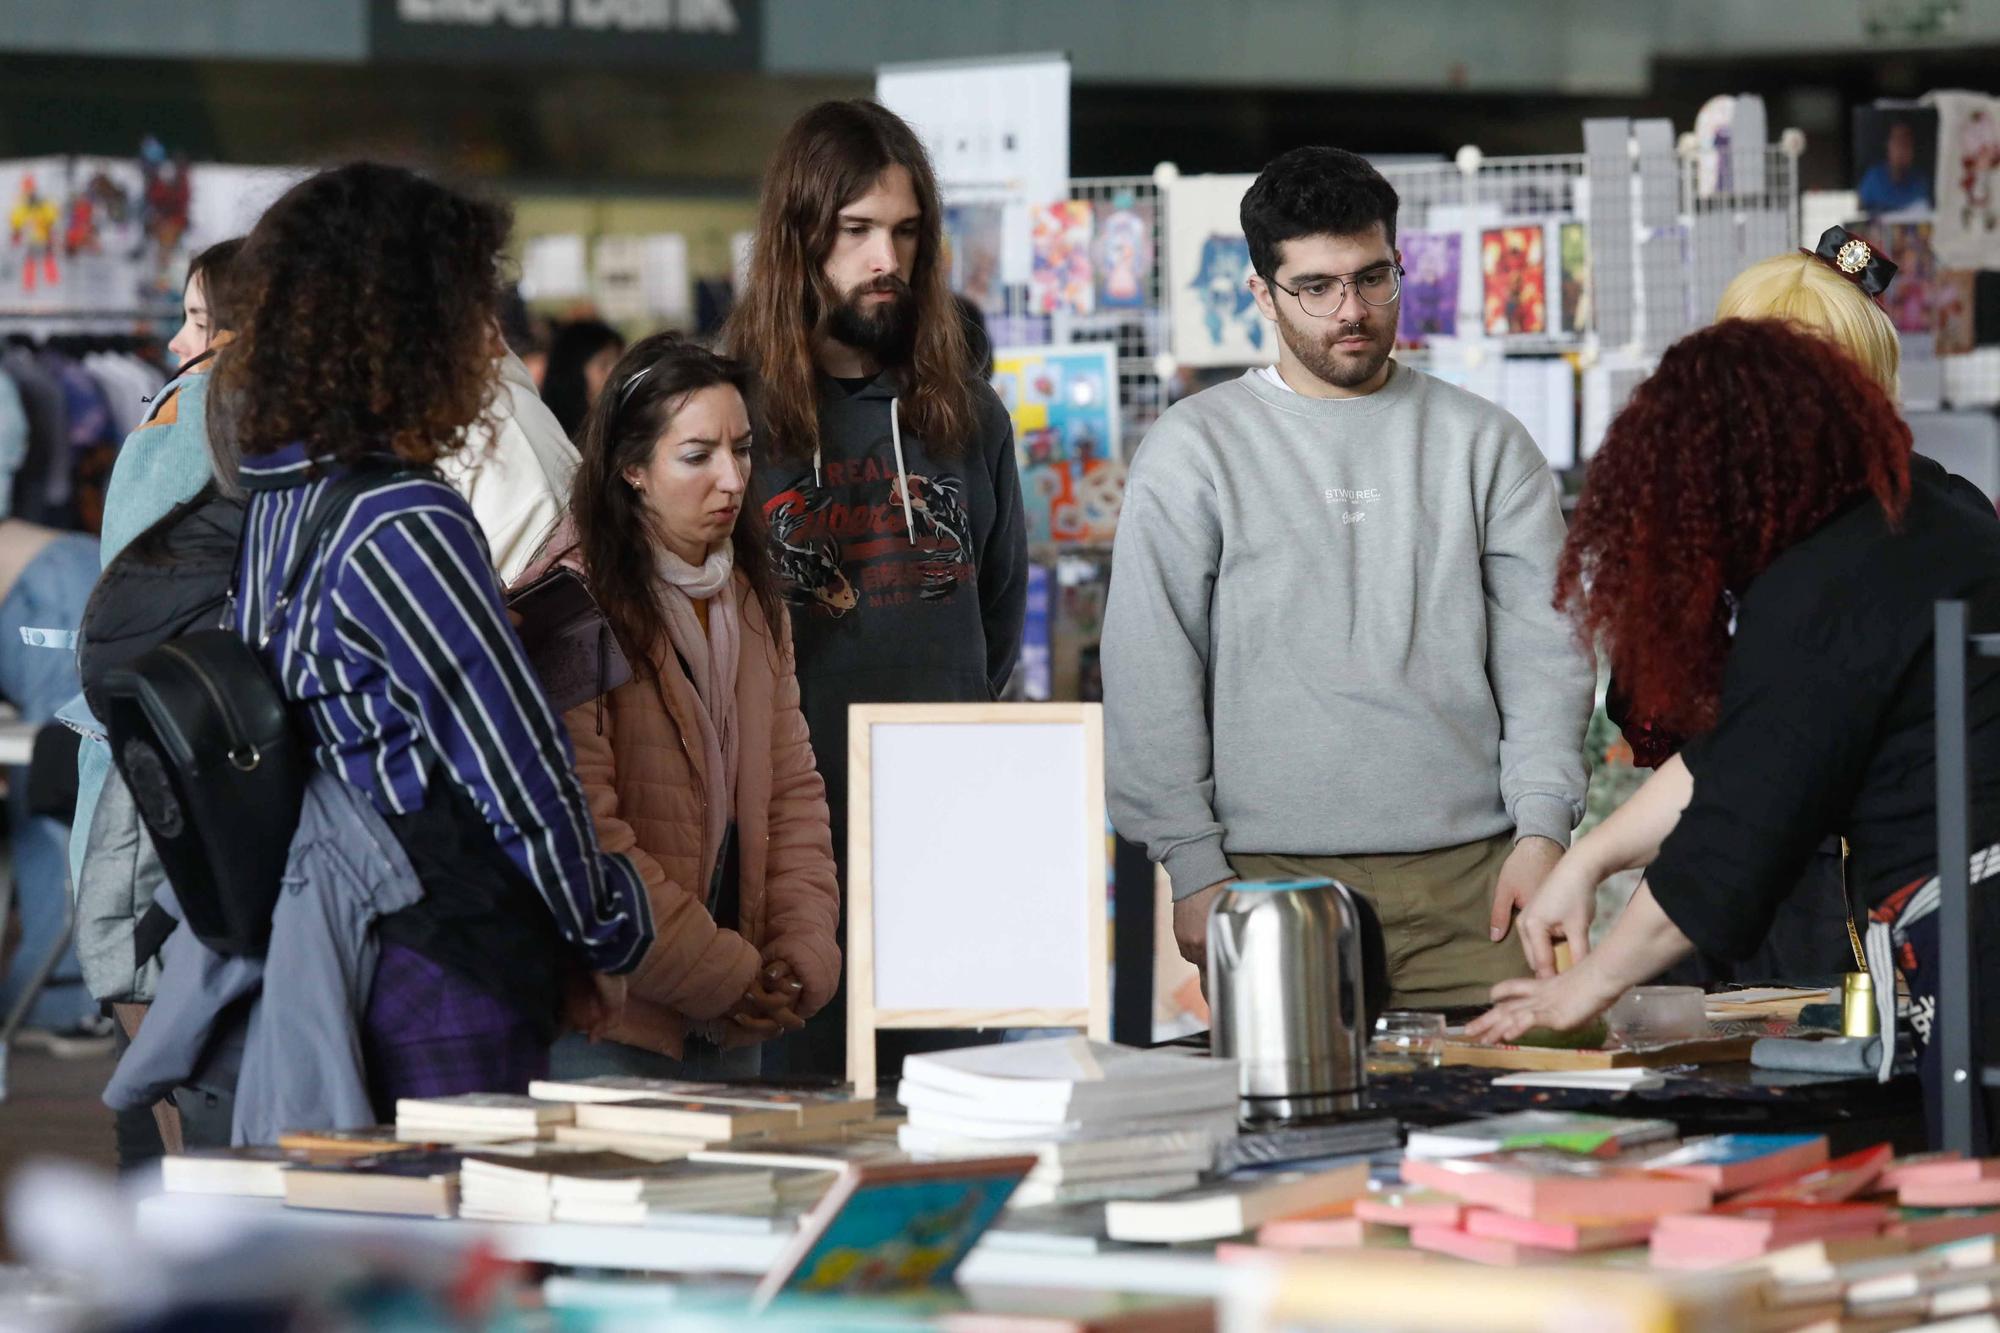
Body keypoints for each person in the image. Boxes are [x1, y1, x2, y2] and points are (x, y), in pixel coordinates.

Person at [1469, 317, 2000, 1148]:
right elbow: (1740, 751)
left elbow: (1734, 837)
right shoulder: (1928, 513)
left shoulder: (1821, 590)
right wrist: (1590, 856)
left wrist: (1584, 990)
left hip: (1976, 945)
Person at [1102, 146, 1593, 1008]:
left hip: (1480, 881)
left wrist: (1544, 831)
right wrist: (1190, 862)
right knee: (1294, 1136)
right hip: (1268, 880)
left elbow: (1546, 653)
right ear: (1262, 293)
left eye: (1374, 278)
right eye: (1318, 287)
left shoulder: (1485, 441)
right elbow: (1152, 663)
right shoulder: (1194, 448)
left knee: (1513, 1128)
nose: (1353, 310)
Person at [216, 163, 653, 1106]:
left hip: (349, 936)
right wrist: (603, 925)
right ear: (408, 324)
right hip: (446, 953)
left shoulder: (282, 499)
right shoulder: (404, 518)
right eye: (472, 305)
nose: (490, 335)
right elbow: (514, 761)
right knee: (459, 1239)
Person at [725, 99, 1028, 1073]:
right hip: (780, 858)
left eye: (903, 232)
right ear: (799, 236)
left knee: (947, 1126)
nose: (882, 259)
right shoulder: (726, 417)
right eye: (854, 231)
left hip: (942, 847)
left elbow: (995, 625)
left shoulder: (968, 418)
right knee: (793, 1141)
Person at [520, 335, 840, 1080]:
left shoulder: (751, 596)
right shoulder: (567, 607)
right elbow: (584, 837)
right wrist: (728, 973)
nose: (732, 479)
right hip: (609, 1020)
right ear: (631, 468)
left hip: (738, 1014)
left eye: (743, 448)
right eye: (697, 455)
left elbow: (792, 792)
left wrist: (799, 955)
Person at [541, 318, 625, 441]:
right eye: (604, 364)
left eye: (620, 363)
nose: (616, 373)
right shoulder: (551, 436)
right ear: (574, 372)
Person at [1858, 118, 1934, 215]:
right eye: (1897, 141)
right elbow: (1857, 215)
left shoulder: (1921, 181)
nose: (1901, 148)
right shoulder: (1873, 177)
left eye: (1906, 143)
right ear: (1888, 146)